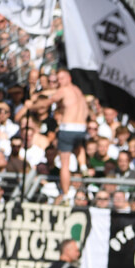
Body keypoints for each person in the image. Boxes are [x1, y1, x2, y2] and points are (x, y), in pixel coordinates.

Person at [44, 68, 89, 198]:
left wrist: (32, 105)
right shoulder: (78, 91)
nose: (59, 81)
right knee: (78, 146)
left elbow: (49, 101)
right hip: (81, 128)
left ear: (69, 78)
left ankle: (65, 194)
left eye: (61, 78)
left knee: (65, 164)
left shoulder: (63, 90)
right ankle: (83, 165)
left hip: (68, 127)